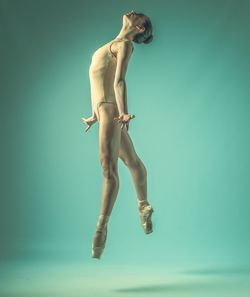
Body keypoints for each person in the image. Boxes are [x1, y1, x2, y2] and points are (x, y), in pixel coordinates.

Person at [81, 10, 154, 259]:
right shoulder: (108, 46)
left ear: (139, 28)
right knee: (131, 160)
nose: (132, 11)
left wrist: (123, 113)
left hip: (112, 112)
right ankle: (144, 206)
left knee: (108, 169)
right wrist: (94, 113)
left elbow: (119, 81)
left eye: (138, 15)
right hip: (104, 112)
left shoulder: (124, 45)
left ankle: (101, 228)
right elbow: (99, 82)